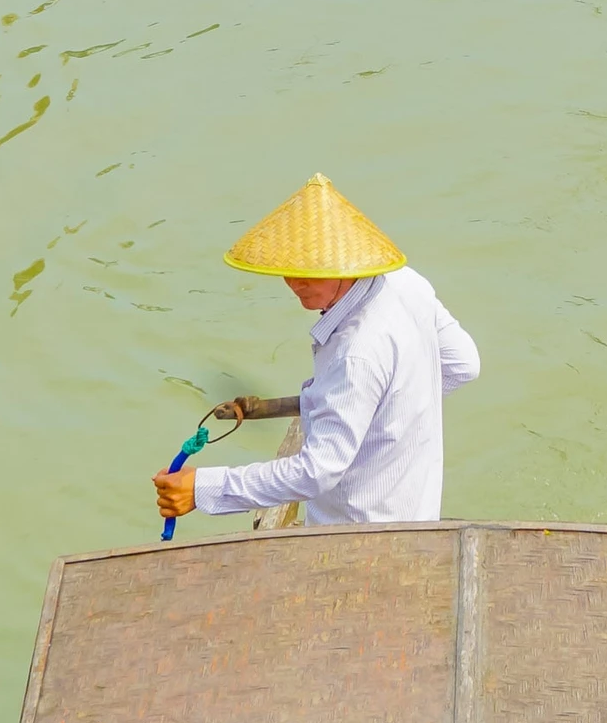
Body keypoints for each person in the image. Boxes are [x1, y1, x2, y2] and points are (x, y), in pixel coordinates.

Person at [154, 172, 480, 530]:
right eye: (288, 270)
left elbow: (316, 472)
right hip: (417, 516)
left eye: (310, 271)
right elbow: (463, 365)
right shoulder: (405, 282)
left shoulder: (356, 353)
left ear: (345, 265)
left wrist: (202, 488)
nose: (295, 283)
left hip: (355, 534)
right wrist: (383, 412)